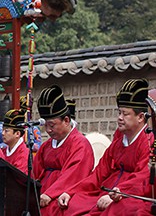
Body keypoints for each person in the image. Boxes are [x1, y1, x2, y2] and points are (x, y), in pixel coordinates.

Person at [57, 79, 153, 215]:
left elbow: (143, 177)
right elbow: (99, 172)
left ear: (140, 117)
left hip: (130, 195)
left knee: (122, 209)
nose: (119, 117)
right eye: (119, 112)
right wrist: (71, 191)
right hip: (109, 189)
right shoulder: (118, 142)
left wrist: (118, 193)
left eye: (125, 114)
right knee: (73, 203)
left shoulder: (149, 141)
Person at [32, 85, 94, 215]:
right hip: (42, 193)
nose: (48, 130)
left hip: (64, 193)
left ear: (66, 120)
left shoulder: (80, 144)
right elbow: (35, 172)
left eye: (52, 125)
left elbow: (74, 175)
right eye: (46, 125)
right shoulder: (46, 146)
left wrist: (50, 194)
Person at [1, 108, 30, 174]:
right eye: (3, 130)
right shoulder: (3, 151)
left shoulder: (24, 154)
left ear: (17, 134)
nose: (2, 133)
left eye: (6, 131)